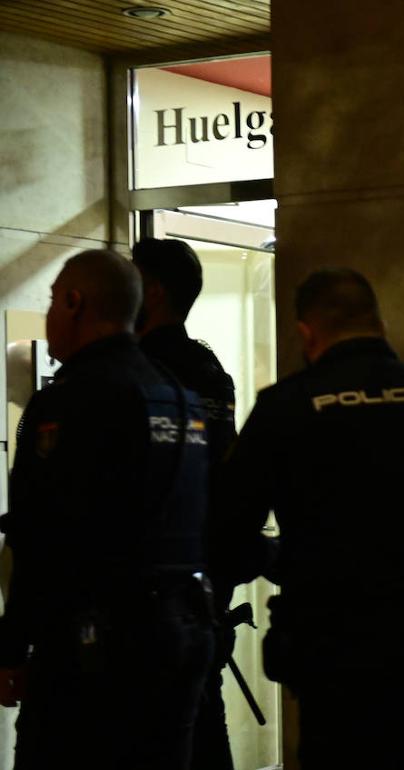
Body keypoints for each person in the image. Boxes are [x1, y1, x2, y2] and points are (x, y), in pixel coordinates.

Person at [222, 268, 404, 770]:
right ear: (380, 325)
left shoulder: (286, 408)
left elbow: (228, 531)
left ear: (306, 333)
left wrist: (285, 561)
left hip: (333, 661)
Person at [0, 249, 215, 769]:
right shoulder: (177, 395)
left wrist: (12, 648)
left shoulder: (71, 401)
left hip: (95, 651)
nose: (49, 313)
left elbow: (40, 534)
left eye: (53, 300)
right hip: (179, 634)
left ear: (75, 303)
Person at [133, 237, 260, 770]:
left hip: (151, 585)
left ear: (154, 291)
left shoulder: (138, 371)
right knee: (204, 721)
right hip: (209, 576)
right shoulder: (210, 370)